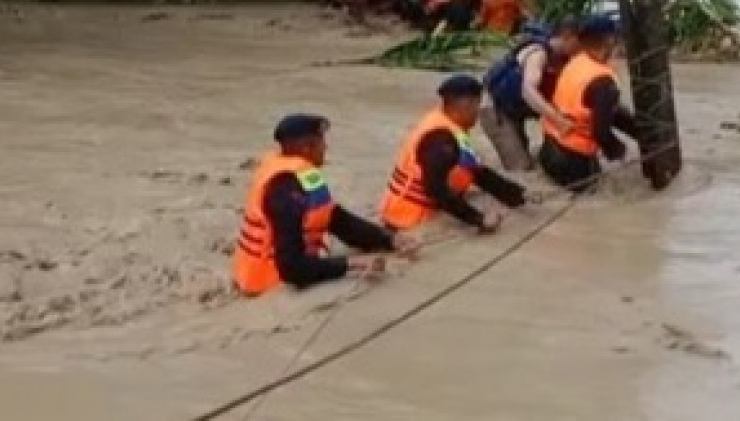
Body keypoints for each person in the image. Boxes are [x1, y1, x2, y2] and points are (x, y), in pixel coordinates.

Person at [233, 114, 419, 296]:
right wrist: (351, 264)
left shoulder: (303, 175)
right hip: (270, 284)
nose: (326, 147)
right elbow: (291, 268)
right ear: (306, 147)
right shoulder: (285, 190)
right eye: (321, 141)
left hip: (293, 268)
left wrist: (389, 240)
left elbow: (336, 220)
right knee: (370, 289)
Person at [380, 75, 528, 233]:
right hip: (412, 220)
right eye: (477, 105)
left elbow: (474, 171)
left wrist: (516, 195)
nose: (478, 112)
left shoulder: (446, 122)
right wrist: (478, 219)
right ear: (466, 104)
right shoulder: (441, 140)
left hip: (411, 210)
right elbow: (436, 189)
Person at [538, 16, 639, 190]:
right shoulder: (603, 81)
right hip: (574, 167)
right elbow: (601, 133)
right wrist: (619, 151)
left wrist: (638, 132)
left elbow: (607, 114)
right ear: (609, 41)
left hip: (548, 151)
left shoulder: (575, 63)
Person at [479, 18, 582, 171]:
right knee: (521, 166)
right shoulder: (537, 53)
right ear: (567, 36)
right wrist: (558, 121)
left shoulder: (566, 60)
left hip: (522, 106)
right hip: (497, 107)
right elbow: (528, 91)